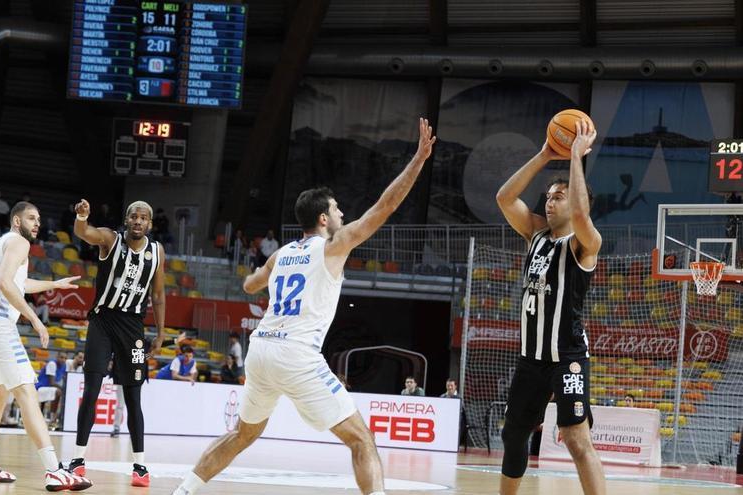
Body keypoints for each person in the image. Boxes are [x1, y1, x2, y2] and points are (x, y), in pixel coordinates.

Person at [171, 117, 436, 495]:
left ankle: (182, 491)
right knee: (362, 440)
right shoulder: (333, 244)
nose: (343, 214)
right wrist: (418, 160)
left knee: (242, 433)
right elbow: (385, 207)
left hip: (260, 350)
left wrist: (257, 281)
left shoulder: (280, 255)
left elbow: (250, 283)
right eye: (338, 209)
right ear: (324, 218)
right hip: (296, 354)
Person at [494, 119, 604, 495]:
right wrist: (544, 154)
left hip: (568, 356)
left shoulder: (584, 243)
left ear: (573, 201)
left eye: (559, 196)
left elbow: (583, 217)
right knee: (513, 436)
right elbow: (504, 199)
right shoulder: (536, 234)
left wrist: (575, 157)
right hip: (531, 359)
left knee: (576, 440)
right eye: (549, 196)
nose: (550, 201)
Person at [0, 201, 91, 489]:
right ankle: (54, 470)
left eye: (39, 218)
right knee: (26, 392)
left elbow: (17, 282)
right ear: (17, 221)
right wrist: (35, 318)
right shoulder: (19, 242)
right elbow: (5, 282)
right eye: (31, 218)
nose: (37, 223)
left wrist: (54, 284)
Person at [69, 199, 171, 488]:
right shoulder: (111, 240)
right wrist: (82, 217)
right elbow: (84, 232)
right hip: (103, 320)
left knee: (134, 398)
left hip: (133, 326)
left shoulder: (156, 252)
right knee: (92, 388)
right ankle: (77, 459)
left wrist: (161, 333)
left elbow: (159, 295)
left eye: (144, 218)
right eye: (134, 216)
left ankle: (139, 465)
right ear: (126, 220)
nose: (138, 221)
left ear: (150, 224)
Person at [36, 352, 67, 426]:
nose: (63, 360)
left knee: (62, 392)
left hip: (48, 388)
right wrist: (64, 389)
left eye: (65, 358)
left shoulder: (64, 366)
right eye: (61, 357)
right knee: (58, 392)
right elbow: (52, 383)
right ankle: (52, 418)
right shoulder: (52, 364)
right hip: (40, 387)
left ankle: (56, 418)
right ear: (57, 357)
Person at [440, 379, 466, 448]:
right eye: (448, 385)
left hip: (456, 421)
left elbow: (460, 412)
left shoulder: (459, 397)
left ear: (455, 386)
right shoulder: (442, 396)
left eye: (451, 385)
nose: (450, 387)